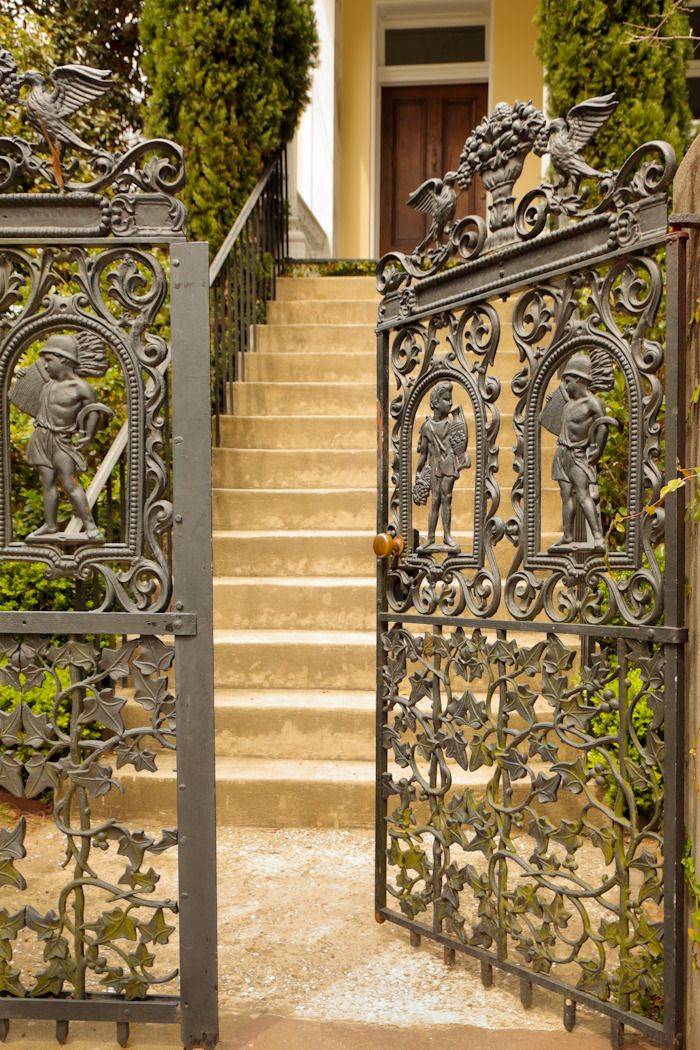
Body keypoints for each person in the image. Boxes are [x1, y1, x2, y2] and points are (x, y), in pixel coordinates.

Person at [14, 334, 111, 542]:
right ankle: (50, 525)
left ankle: (90, 526)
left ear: (64, 359)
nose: (45, 365)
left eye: (49, 360)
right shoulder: (48, 383)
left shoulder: (81, 387)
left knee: (70, 483)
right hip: (41, 437)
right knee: (46, 482)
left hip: (61, 441)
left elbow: (93, 411)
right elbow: (28, 387)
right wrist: (23, 374)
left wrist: (89, 436)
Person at [547, 353, 616, 549]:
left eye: (568, 381)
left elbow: (603, 426)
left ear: (579, 380)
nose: (565, 386)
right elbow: (559, 420)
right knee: (565, 495)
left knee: (583, 495)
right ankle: (567, 536)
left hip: (578, 455)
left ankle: (598, 537)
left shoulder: (593, 403)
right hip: (562, 453)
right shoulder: (569, 403)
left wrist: (598, 450)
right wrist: (551, 403)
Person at [413, 381, 469, 551]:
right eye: (446, 399)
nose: (450, 403)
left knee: (447, 499)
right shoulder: (427, 427)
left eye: (450, 399)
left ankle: (447, 536)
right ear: (436, 403)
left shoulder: (452, 424)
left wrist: (461, 458)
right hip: (435, 467)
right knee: (435, 501)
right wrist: (418, 471)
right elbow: (423, 453)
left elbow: (459, 444)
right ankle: (431, 537)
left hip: (449, 465)